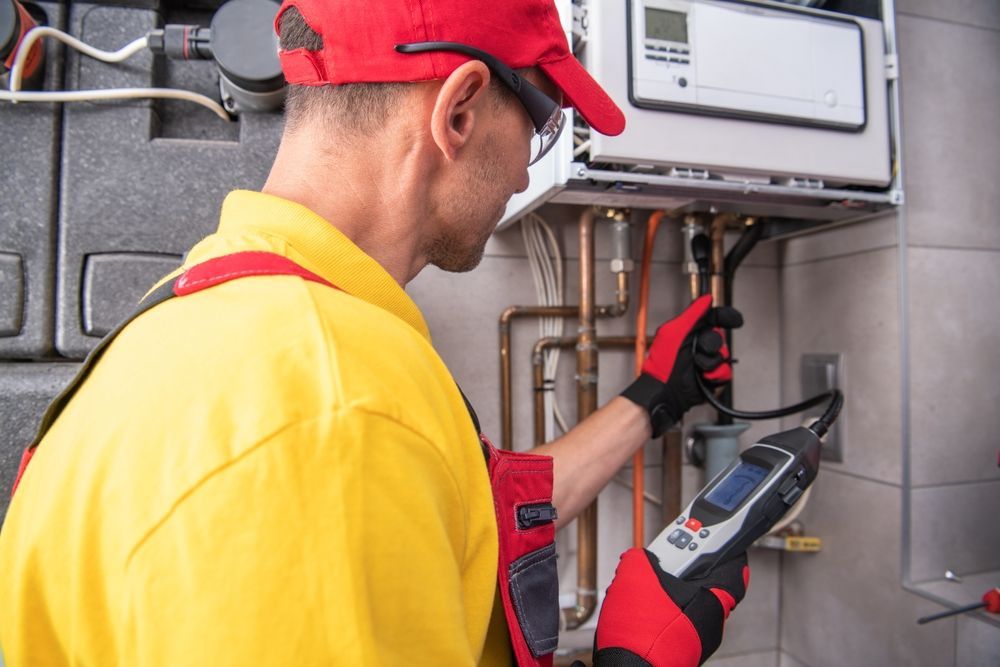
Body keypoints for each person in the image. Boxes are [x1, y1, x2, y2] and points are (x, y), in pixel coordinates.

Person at [0, 0, 748, 665]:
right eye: (542, 122)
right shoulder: (334, 412)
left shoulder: (192, 318)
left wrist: (654, 395)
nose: (525, 173)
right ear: (459, 110)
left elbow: (471, 525)